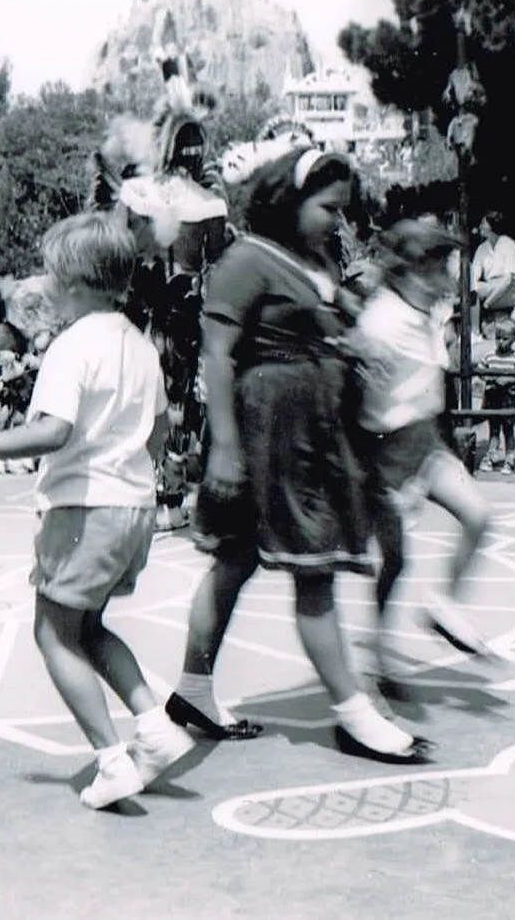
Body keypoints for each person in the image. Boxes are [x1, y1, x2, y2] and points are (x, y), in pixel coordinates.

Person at [170, 146, 432, 765]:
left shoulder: (315, 262)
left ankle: (192, 692)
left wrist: (352, 345)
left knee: (235, 561)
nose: (338, 220)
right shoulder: (246, 259)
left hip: (308, 428)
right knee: (311, 569)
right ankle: (353, 714)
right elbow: (217, 355)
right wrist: (225, 449)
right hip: (270, 433)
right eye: (328, 208)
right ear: (289, 199)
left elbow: (326, 325)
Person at [0, 212, 195, 809]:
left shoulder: (73, 345)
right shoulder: (139, 346)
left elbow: (53, 431)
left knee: (53, 634)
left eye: (50, 275)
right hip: (133, 508)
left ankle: (112, 760)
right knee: (89, 628)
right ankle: (154, 728)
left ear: (76, 284)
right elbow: (159, 431)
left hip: (84, 509)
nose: (44, 286)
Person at [350, 219, 496, 695]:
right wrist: (381, 475)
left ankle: (443, 605)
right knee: (395, 562)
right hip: (387, 452)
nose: (448, 278)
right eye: (439, 267)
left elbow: (430, 387)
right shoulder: (382, 323)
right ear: (413, 269)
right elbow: (357, 398)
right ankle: (375, 659)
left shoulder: (426, 312)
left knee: (478, 516)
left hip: (426, 442)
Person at [478, 317, 515, 472]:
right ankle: (491, 456)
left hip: (508, 398)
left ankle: (509, 459)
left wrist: (509, 379)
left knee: (508, 430)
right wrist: (490, 377)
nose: (500, 342)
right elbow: (480, 371)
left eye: (505, 339)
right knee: (493, 429)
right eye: (498, 338)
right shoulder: (489, 356)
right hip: (492, 396)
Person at [471, 211, 515, 336]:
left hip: (509, 289)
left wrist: (488, 302)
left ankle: (475, 331)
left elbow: (508, 279)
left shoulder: (508, 244)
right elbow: (474, 275)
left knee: (476, 289)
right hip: (490, 286)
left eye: (483, 223)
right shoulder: (482, 248)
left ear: (492, 226)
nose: (480, 226)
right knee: (471, 288)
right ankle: (474, 332)